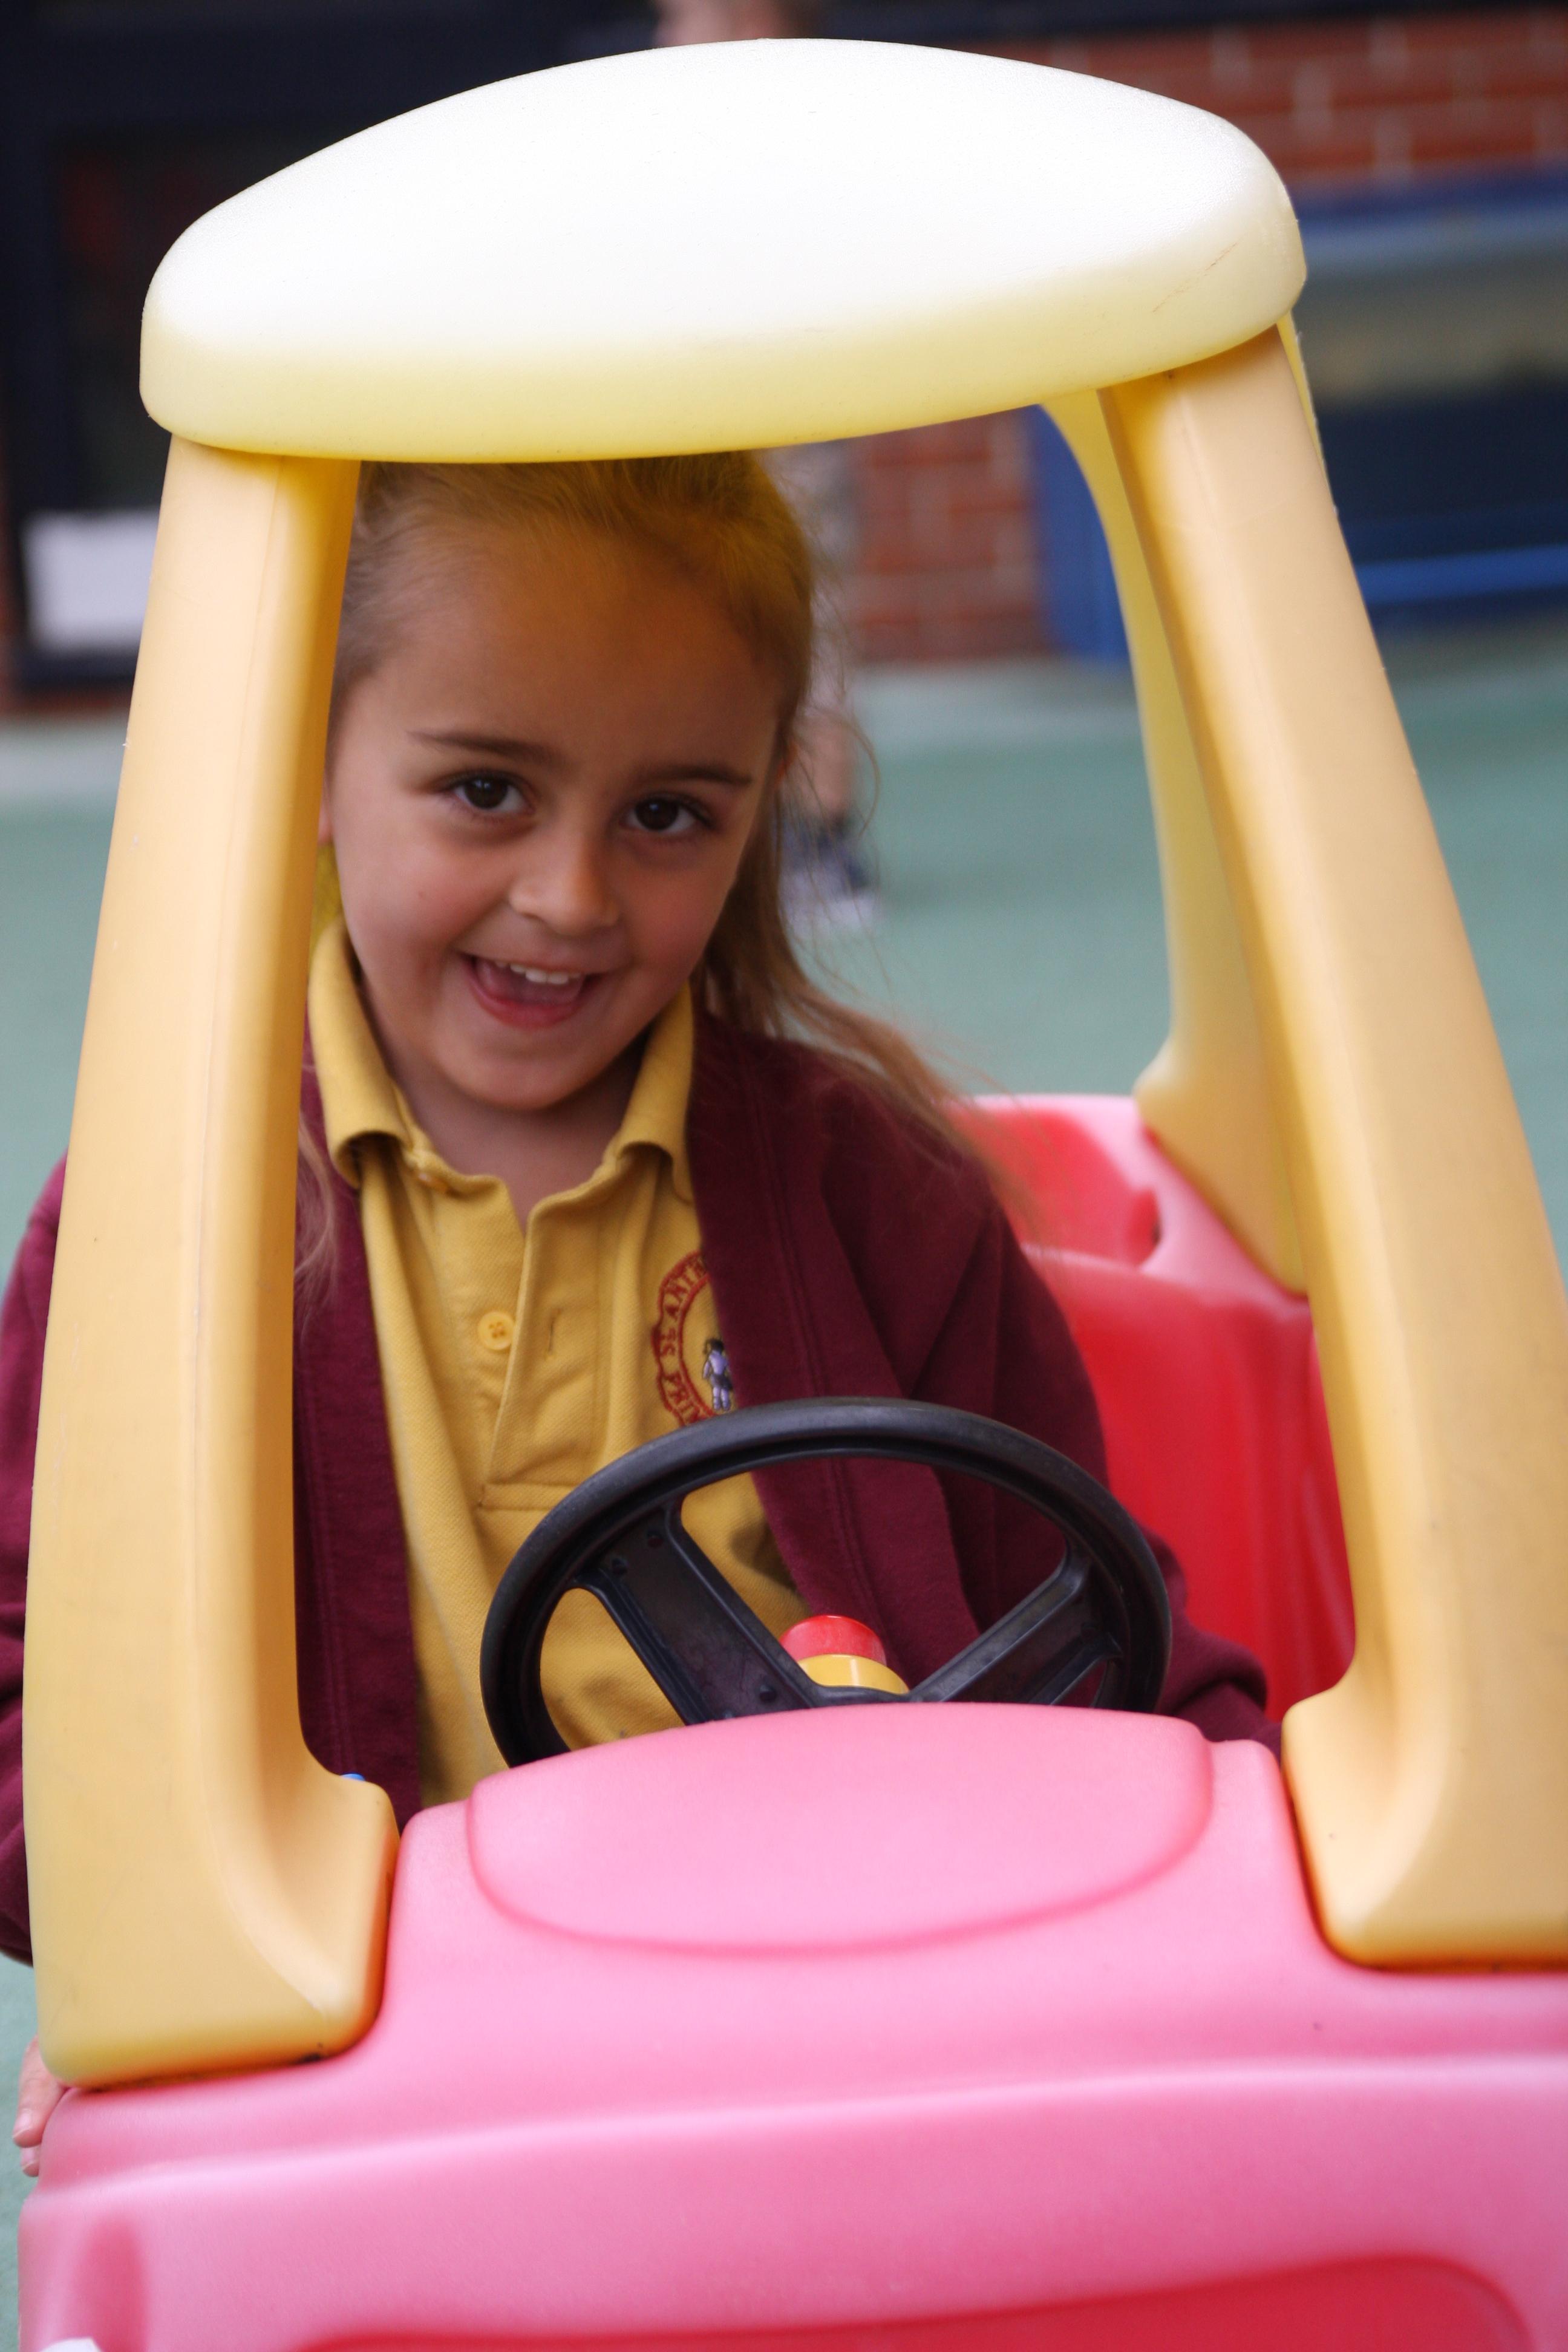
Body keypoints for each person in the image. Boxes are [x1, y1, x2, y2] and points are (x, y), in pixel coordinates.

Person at [0, 452, 1272, 2171]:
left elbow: (1102, 1643)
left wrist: (1246, 1899)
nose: (572, 897)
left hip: (855, 2034)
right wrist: (154, 1946)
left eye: (668, 815)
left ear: (759, 817)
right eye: (485, 792)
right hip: (400, 2084)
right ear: (308, 756)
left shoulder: (873, 1198)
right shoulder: (166, 1222)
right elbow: (37, 1699)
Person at [656, 0, 877, 929]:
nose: (668, 37)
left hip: (788, 426)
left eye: (682, 16)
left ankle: (824, 843)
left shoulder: (779, 128)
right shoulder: (694, 126)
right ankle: (767, 839)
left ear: (751, 21)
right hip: (727, 418)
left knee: (806, 628)